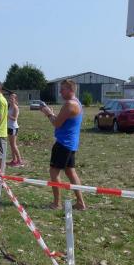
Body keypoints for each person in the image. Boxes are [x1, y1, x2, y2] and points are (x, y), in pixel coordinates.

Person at [40, 79, 86, 210]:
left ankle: (56, 203)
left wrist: (48, 113)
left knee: (54, 172)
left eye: (63, 89)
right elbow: (62, 121)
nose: (60, 92)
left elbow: (56, 123)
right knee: (71, 172)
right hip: (70, 143)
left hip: (63, 143)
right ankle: (80, 203)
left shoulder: (70, 104)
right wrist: (52, 114)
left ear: (71, 89)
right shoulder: (76, 103)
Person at [6, 93, 24, 167]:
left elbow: (15, 118)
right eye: (9, 98)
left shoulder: (15, 108)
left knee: (14, 145)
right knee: (11, 145)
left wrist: (7, 115)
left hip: (13, 127)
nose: (10, 99)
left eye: (12, 98)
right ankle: (14, 160)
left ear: (15, 100)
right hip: (9, 127)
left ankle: (19, 161)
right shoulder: (9, 106)